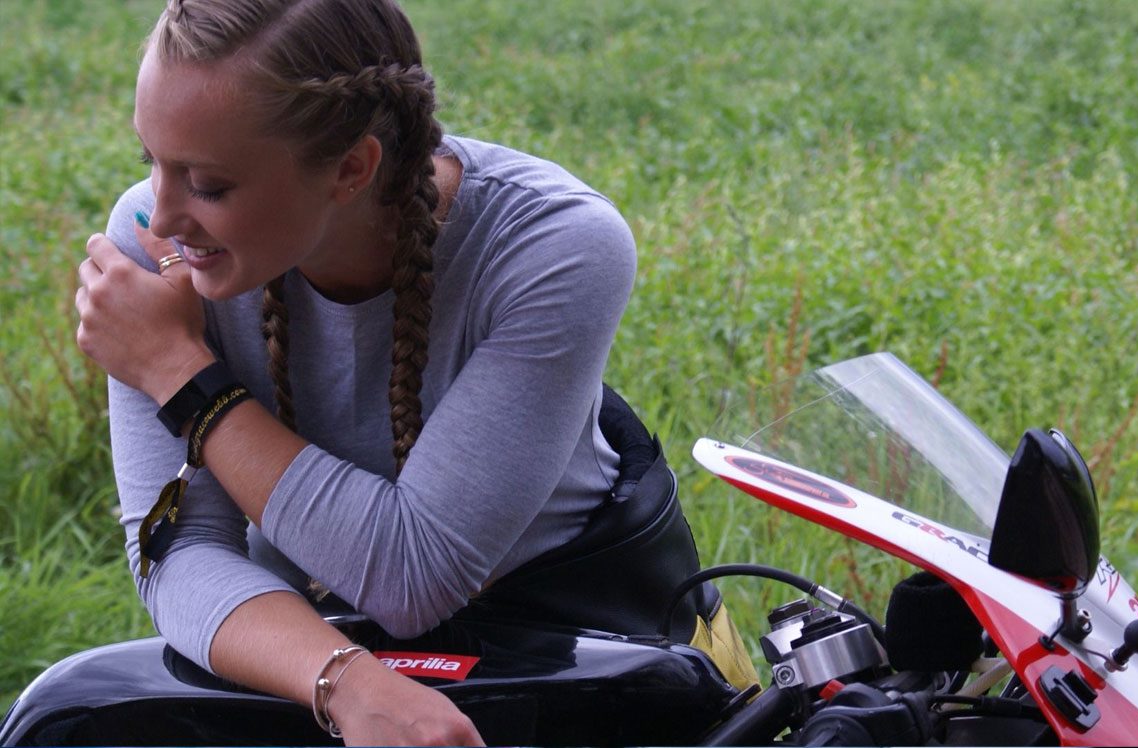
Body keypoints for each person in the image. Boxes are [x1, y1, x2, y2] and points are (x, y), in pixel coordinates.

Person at [75, 1, 754, 744]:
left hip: (593, 647)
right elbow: (178, 558)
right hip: (314, 653)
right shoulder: (156, 252)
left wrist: (182, 374)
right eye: (151, 161)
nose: (161, 215)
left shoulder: (555, 245)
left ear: (352, 168)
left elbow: (413, 575)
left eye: (208, 184)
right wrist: (344, 679)